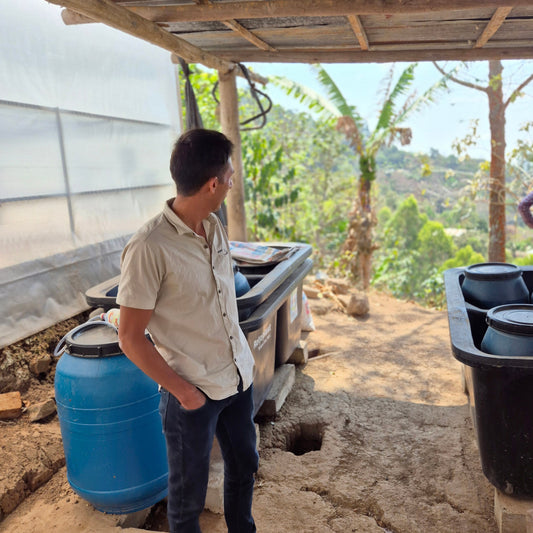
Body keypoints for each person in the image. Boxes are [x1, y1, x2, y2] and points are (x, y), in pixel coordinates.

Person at [116, 129, 258, 533]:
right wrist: (182, 392)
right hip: (192, 393)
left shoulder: (213, 227)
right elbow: (129, 337)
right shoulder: (149, 247)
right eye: (230, 176)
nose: (232, 183)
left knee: (245, 464)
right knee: (187, 498)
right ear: (213, 183)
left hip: (237, 377)